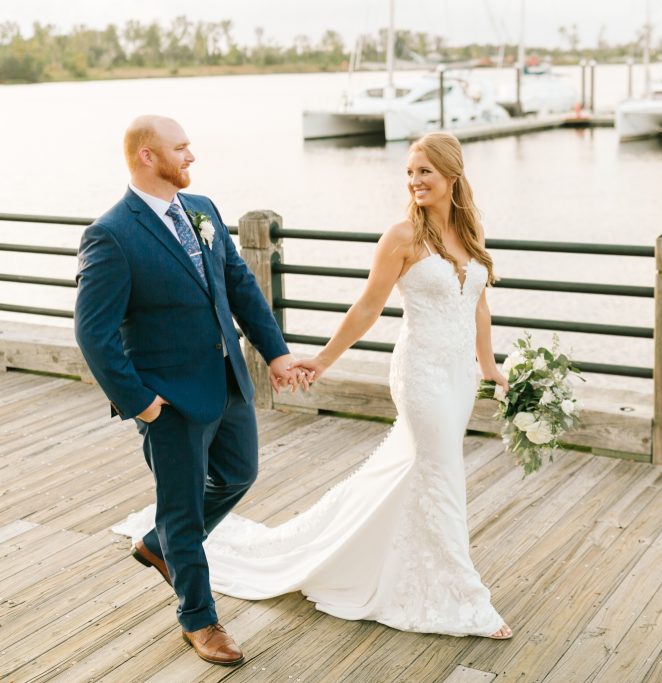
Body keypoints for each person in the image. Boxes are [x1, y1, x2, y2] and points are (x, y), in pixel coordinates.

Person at [113, 131, 513, 639]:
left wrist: (490, 368)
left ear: (452, 176)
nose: (414, 181)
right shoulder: (401, 238)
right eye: (410, 172)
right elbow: (368, 308)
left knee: (424, 472)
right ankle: (463, 595)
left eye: (424, 172)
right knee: (442, 473)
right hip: (421, 376)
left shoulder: (470, 233)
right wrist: (321, 360)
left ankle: (390, 562)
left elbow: (476, 303)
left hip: (457, 377)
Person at [78, 115, 304, 666]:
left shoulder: (202, 210)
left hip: (228, 381)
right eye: (181, 149)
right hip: (169, 399)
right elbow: (93, 331)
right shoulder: (111, 233)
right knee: (181, 512)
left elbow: (239, 283)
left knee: (239, 473)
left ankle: (158, 546)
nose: (192, 158)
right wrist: (141, 403)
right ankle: (199, 620)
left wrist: (274, 353)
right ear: (148, 157)